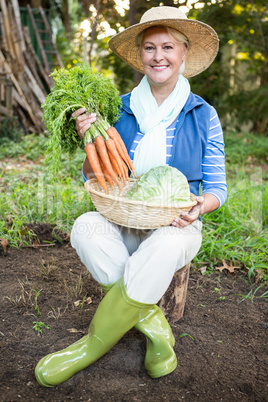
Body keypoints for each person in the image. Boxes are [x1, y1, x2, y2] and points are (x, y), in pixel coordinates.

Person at [35, 6, 227, 387]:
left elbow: (217, 188)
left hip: (176, 224)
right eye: (150, 48)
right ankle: (157, 331)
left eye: (168, 47)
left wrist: (197, 207)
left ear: (184, 52)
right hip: (121, 218)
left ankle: (88, 345)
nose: (159, 57)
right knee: (86, 226)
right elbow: (95, 175)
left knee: (168, 244)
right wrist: (86, 137)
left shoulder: (203, 114)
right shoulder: (114, 109)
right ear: (140, 54)